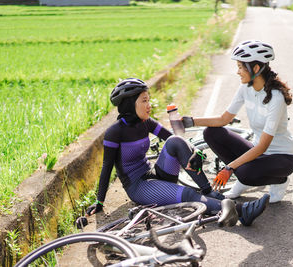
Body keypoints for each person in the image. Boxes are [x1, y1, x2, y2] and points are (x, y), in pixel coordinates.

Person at [83, 77, 270, 227]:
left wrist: (197, 152)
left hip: (155, 174)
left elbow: (175, 140)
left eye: (149, 100)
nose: (149, 105)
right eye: (144, 101)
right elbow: (107, 166)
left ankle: (209, 192)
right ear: (130, 104)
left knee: (174, 141)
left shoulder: (146, 122)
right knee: (188, 194)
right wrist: (99, 202)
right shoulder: (115, 133)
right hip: (138, 186)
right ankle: (240, 211)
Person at [182, 40, 293, 203]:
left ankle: (280, 181)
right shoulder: (246, 88)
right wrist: (190, 121)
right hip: (258, 152)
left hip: (281, 158)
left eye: (241, 67)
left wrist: (229, 168)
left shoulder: (276, 98)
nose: (238, 72)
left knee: (245, 173)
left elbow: (263, 146)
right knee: (212, 133)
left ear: (255, 68)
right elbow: (224, 119)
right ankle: (243, 179)